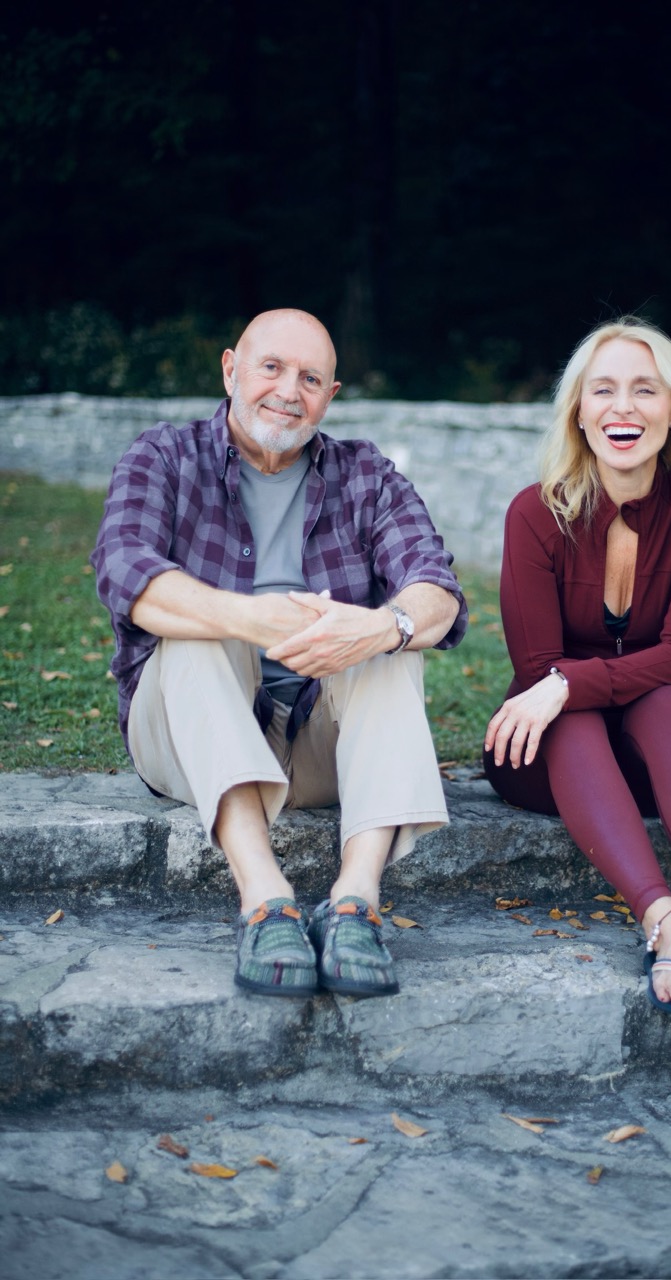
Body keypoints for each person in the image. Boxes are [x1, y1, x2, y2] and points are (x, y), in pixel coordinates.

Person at [93, 308, 466, 999]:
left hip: (317, 745)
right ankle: (265, 901)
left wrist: (383, 627)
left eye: (311, 378)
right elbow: (122, 569)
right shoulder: (164, 455)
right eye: (271, 368)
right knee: (195, 632)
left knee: (392, 639)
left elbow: (437, 592)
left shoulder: (365, 473)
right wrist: (249, 620)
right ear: (231, 368)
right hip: (184, 735)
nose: (289, 391)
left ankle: (355, 902)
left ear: (331, 395)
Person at [483, 317, 671, 1042]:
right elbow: (536, 672)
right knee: (578, 709)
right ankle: (665, 923)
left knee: (667, 703)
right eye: (603, 390)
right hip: (544, 756)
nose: (623, 407)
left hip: (655, 755)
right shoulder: (536, 512)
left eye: (644, 390)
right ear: (579, 413)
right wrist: (571, 687)